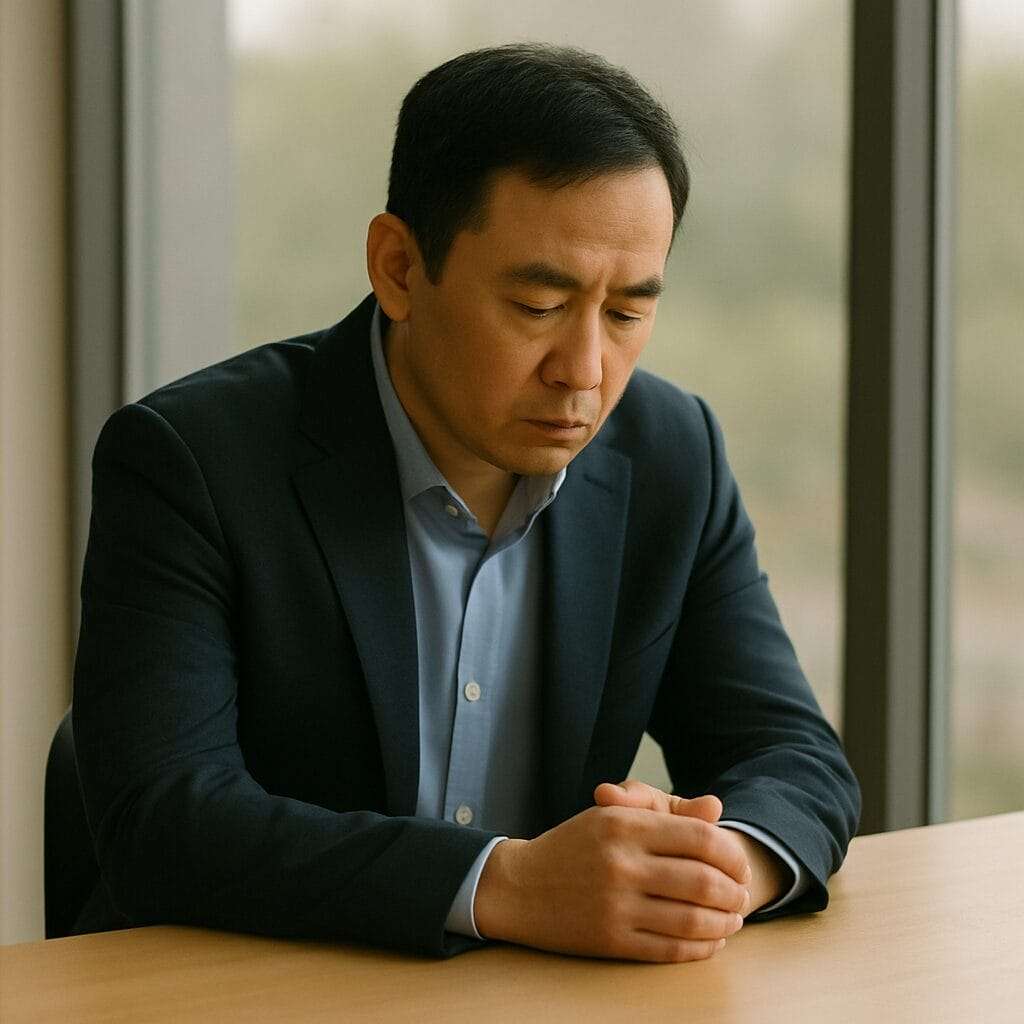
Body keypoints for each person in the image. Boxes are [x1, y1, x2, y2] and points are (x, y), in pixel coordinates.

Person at [71, 43, 860, 963]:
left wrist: (713, 869)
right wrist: (503, 884)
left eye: (627, 312)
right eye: (537, 305)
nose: (585, 371)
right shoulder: (193, 460)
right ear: (399, 267)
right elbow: (164, 822)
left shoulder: (672, 453)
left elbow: (796, 760)